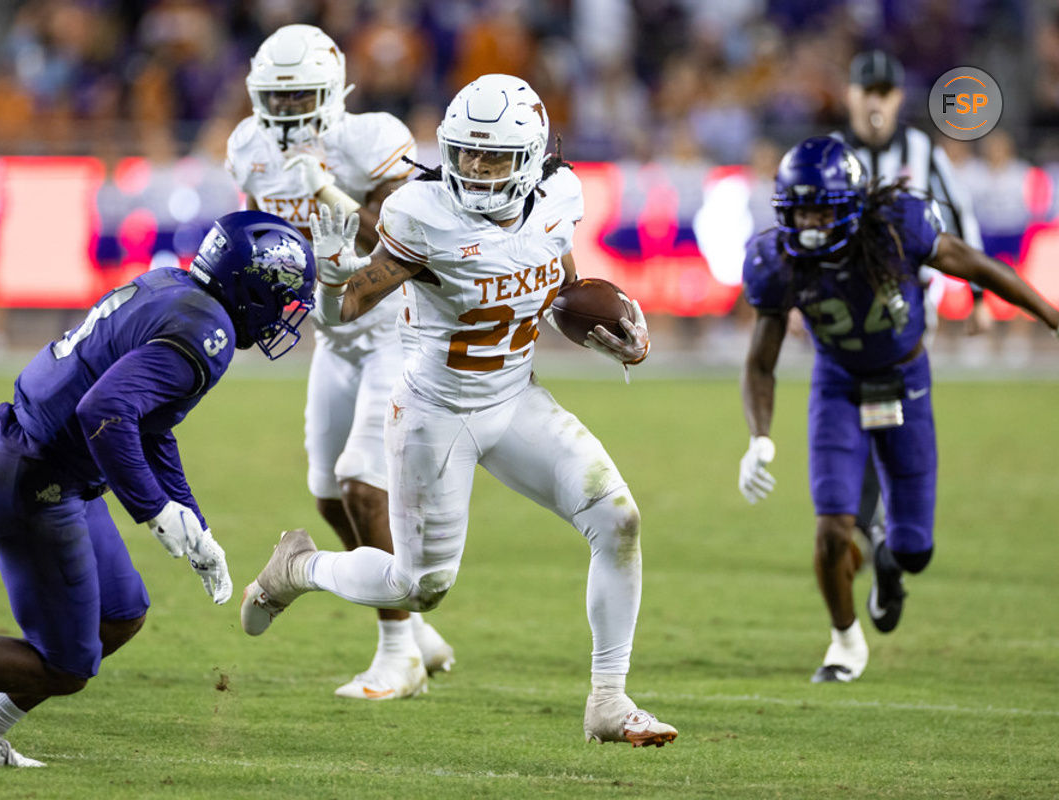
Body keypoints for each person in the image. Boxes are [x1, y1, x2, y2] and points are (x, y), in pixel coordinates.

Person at [242, 74, 677, 747]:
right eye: (465, 152)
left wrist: (609, 331)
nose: (475, 168)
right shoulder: (422, 212)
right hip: (435, 413)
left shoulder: (560, 198)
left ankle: (609, 702)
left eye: (493, 156)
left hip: (514, 399)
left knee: (618, 519)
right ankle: (298, 567)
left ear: (531, 157)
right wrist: (332, 268)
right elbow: (349, 306)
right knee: (419, 587)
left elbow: (556, 288)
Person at [0, 210, 316, 764]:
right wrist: (153, 511)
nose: (283, 314)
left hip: (39, 461)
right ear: (249, 284)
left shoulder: (175, 286)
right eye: (282, 295)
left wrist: (191, 517)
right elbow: (105, 410)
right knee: (67, 665)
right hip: (33, 476)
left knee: (121, 613)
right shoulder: (207, 330)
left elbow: (152, 426)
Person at [737, 137, 1059, 683]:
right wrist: (758, 438)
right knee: (834, 528)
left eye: (821, 208)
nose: (811, 222)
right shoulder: (779, 262)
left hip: (906, 380)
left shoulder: (894, 230)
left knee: (915, 550)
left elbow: (976, 266)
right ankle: (844, 642)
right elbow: (760, 363)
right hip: (837, 383)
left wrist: (1051, 316)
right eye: (801, 208)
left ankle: (890, 560)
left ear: (849, 205)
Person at [225, 23, 453, 701]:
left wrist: (329, 195)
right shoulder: (248, 147)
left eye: (301, 99)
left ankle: (398, 653)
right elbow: (255, 228)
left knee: (361, 483)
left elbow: (406, 232)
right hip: (333, 335)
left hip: (394, 328)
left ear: (333, 93)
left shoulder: (369, 138)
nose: (288, 114)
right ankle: (415, 631)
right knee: (328, 493)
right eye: (277, 99)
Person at [831, 49, 990, 566]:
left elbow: (956, 218)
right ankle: (875, 524)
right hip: (842, 305)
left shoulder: (921, 149)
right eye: (866, 91)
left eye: (884, 92)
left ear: (897, 98)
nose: (875, 102)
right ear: (851, 95)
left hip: (909, 306)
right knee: (847, 412)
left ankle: (875, 523)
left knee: (886, 409)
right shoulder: (830, 151)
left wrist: (981, 296)